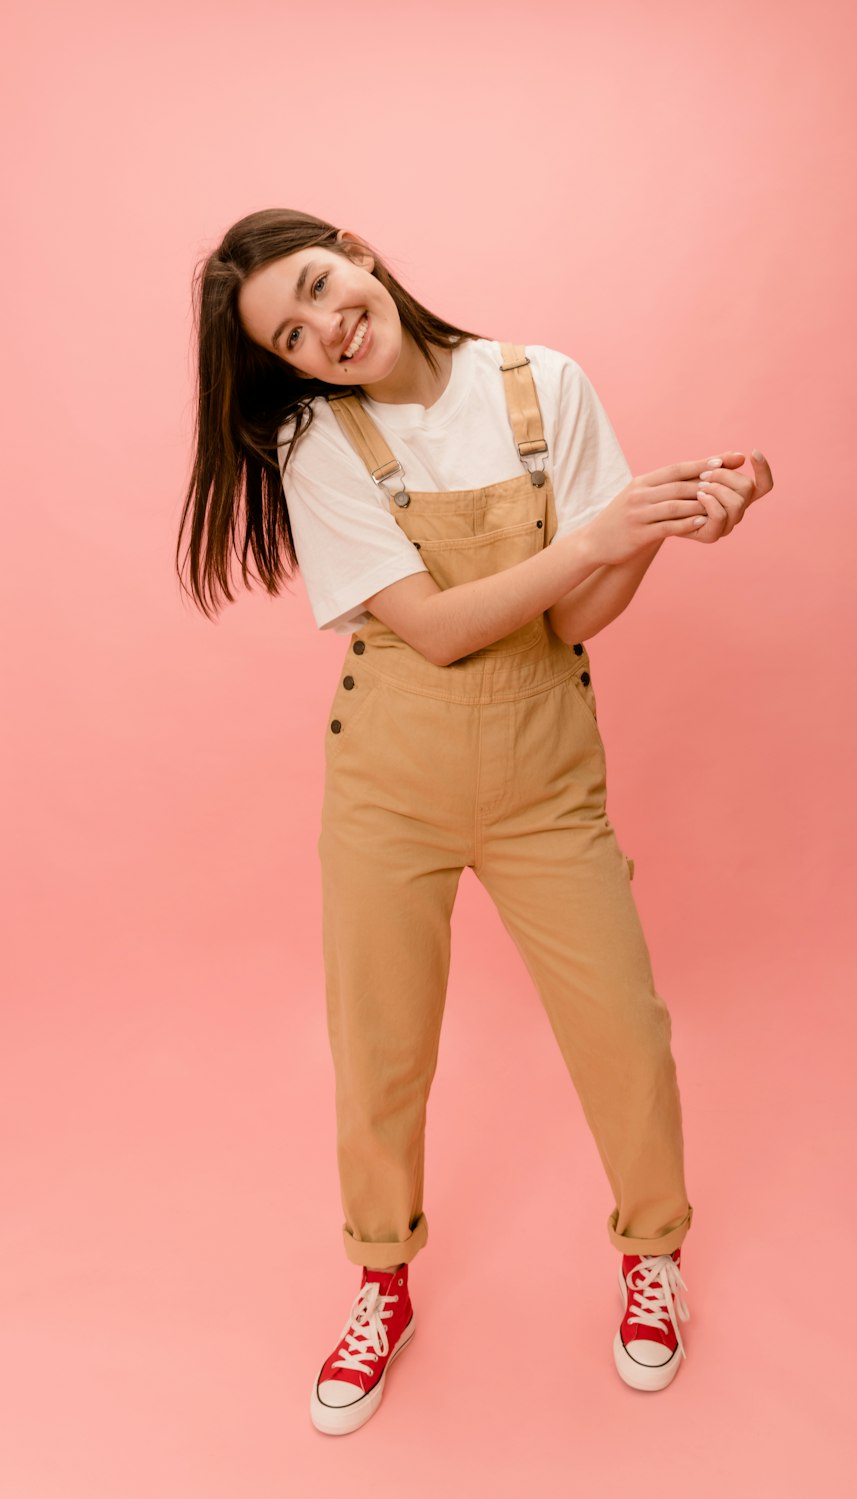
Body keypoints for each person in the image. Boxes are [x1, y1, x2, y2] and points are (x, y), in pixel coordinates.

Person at [177, 207, 774, 1437]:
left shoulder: (541, 384)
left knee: (627, 1029)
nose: (327, 326)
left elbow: (574, 619)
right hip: (389, 784)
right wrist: (598, 535)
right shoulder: (314, 443)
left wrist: (670, 523)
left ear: (357, 249)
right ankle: (379, 1280)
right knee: (380, 1047)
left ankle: (649, 1254)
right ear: (287, 364)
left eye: (319, 285)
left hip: (546, 776)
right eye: (291, 333)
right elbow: (438, 629)